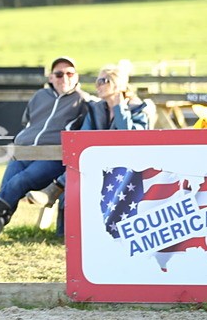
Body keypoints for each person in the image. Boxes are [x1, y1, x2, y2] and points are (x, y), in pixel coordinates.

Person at [0, 56, 91, 245]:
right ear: (51, 78)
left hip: (52, 157)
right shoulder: (39, 97)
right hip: (23, 152)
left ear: (76, 77)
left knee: (18, 183)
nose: (64, 78)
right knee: (7, 187)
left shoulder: (84, 101)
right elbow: (27, 122)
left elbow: (91, 126)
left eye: (70, 73)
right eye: (59, 74)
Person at [25, 61, 154, 232]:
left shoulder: (138, 110)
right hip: (96, 163)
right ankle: (64, 232)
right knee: (75, 176)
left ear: (118, 84)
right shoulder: (95, 109)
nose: (97, 86)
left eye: (103, 81)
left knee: (78, 175)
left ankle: (53, 189)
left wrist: (119, 108)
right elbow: (83, 140)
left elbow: (131, 139)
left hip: (126, 167)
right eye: (97, 81)